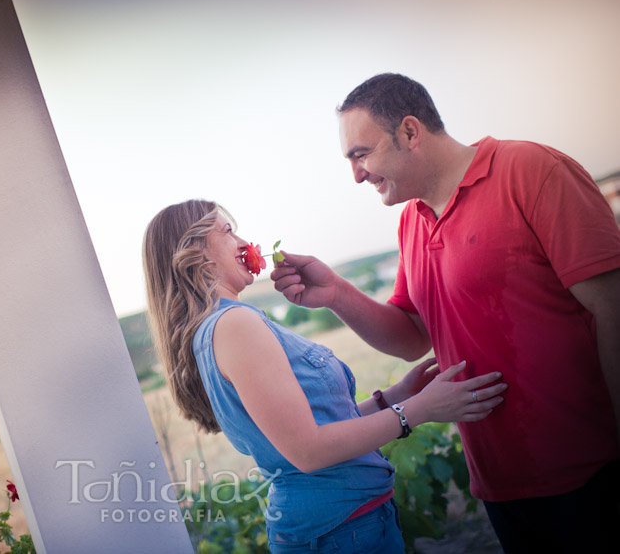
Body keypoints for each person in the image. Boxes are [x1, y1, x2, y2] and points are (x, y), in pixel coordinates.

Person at [271, 73, 620, 553]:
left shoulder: (531, 170)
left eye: (361, 154)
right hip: (499, 483)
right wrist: (336, 293)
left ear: (411, 132)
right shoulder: (412, 222)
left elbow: (613, 308)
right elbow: (414, 336)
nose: (356, 174)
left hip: (591, 470)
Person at [142, 199, 507, 553]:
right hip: (339, 534)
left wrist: (394, 396)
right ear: (197, 252)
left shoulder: (222, 326)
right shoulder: (236, 324)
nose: (243, 242)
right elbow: (309, 450)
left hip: (343, 528)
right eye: (227, 231)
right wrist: (420, 410)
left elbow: (315, 426)